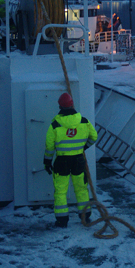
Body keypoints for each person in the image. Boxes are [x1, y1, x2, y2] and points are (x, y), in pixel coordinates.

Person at [43, 92, 98, 228]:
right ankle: (85, 217)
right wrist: (83, 147)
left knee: (61, 191)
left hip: (62, 161)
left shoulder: (55, 125)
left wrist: (47, 162)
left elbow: (49, 147)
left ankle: (62, 221)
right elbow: (94, 137)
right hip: (78, 160)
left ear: (60, 106)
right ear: (72, 104)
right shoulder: (84, 121)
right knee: (81, 189)